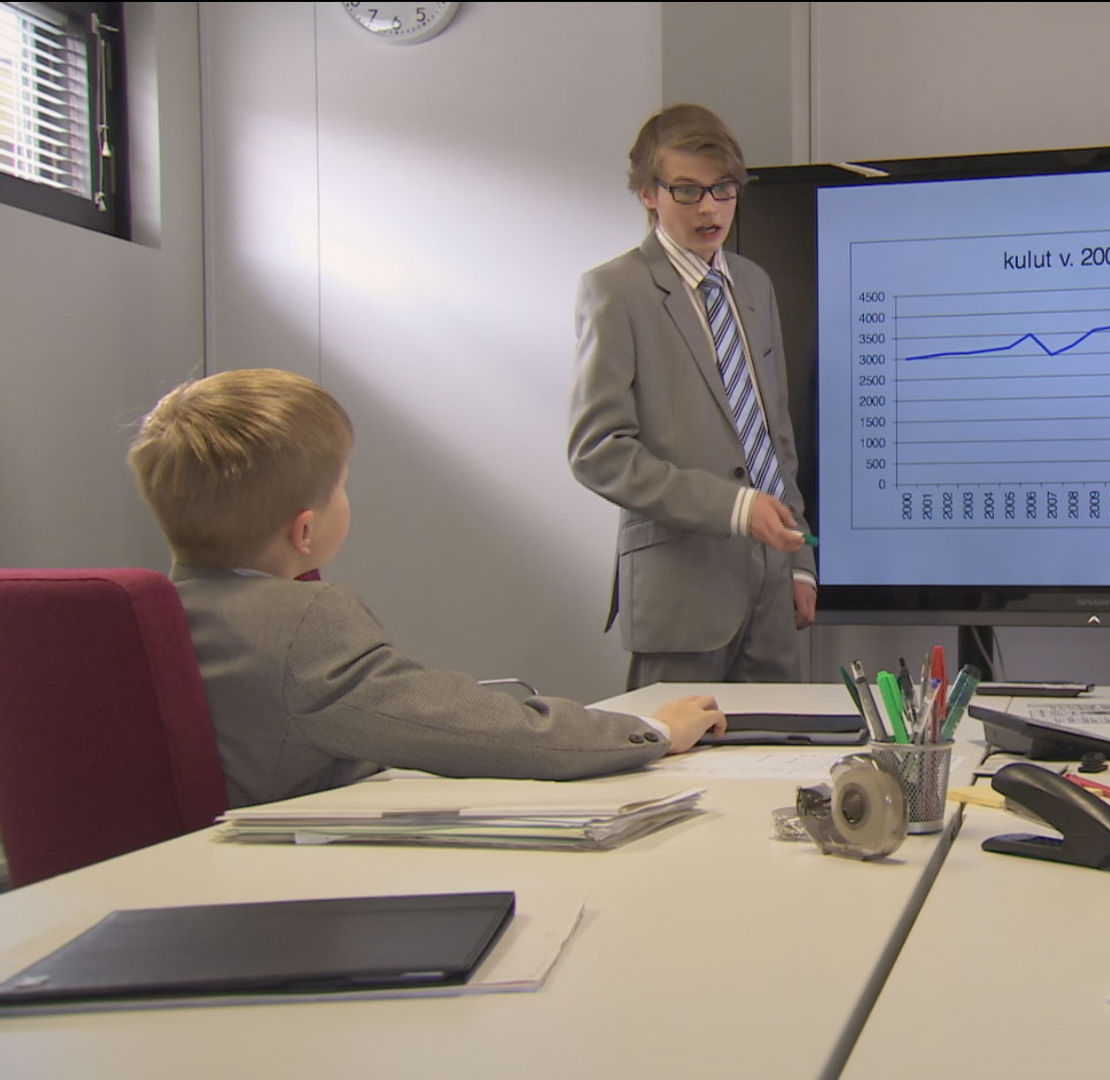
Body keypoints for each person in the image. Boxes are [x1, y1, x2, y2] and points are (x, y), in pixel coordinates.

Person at [127, 368, 727, 808]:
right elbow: (477, 732)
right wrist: (654, 733)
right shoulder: (303, 624)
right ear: (304, 531)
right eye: (341, 486)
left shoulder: (154, 619)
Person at [568, 103, 815, 689]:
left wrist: (800, 561)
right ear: (648, 194)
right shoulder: (616, 291)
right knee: (677, 745)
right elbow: (597, 451)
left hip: (772, 593)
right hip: (681, 595)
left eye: (723, 189)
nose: (709, 208)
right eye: (687, 190)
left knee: (782, 746)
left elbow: (773, 437)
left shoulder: (753, 284)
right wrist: (732, 507)